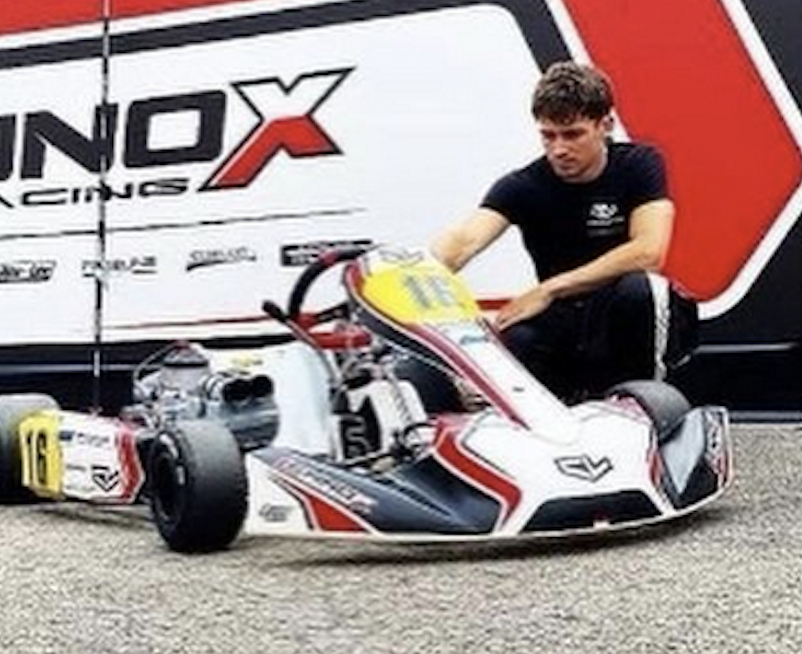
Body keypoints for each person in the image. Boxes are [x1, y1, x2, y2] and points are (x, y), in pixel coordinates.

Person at [431, 61, 697, 400]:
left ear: (605, 126)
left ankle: (645, 405)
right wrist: (408, 273)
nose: (559, 149)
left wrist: (551, 289)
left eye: (572, 135)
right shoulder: (522, 185)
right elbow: (462, 242)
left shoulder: (638, 164)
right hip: (562, 325)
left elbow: (649, 252)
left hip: (619, 319)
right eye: (548, 135)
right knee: (516, 335)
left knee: (642, 290)